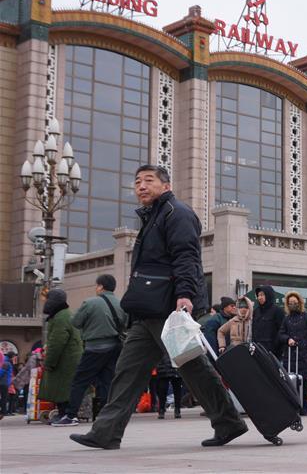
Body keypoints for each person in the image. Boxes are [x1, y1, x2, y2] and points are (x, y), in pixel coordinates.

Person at [70, 164, 246, 450]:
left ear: (165, 185)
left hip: (168, 309)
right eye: (137, 181)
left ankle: (228, 422)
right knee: (128, 370)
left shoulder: (177, 214)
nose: (141, 186)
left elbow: (187, 257)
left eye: (148, 180)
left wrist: (186, 294)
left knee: (193, 367)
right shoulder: (153, 217)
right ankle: (106, 432)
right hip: (148, 310)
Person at [51, 274, 127, 427]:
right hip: (115, 347)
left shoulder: (90, 303)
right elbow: (126, 324)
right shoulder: (121, 304)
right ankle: (106, 416)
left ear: (100, 286)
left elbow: (76, 322)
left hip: (94, 348)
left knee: (80, 381)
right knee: (107, 382)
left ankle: (71, 415)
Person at [39, 289, 83, 422]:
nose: (45, 302)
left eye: (47, 299)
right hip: (70, 359)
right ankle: (64, 413)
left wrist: (49, 363)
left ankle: (65, 414)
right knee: (66, 388)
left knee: (61, 388)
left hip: (64, 361)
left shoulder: (60, 318)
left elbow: (57, 343)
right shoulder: (66, 314)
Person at [278, 291, 307, 415]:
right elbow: (280, 334)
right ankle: (292, 406)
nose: (292, 305)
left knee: (304, 382)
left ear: (299, 303)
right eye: (290, 303)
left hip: (303, 355)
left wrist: (304, 344)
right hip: (290, 355)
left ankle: (304, 406)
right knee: (290, 382)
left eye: (294, 302)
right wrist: (287, 339)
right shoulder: (286, 319)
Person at [252, 285, 283, 358]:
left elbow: (281, 331)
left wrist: (276, 347)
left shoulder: (277, 311)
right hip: (258, 350)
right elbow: (254, 330)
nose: (259, 297)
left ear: (268, 295)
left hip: (272, 352)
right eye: (258, 295)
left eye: (262, 295)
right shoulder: (256, 311)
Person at [154, 353, 182, 419]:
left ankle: (176, 410)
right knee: (162, 390)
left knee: (176, 389)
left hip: (173, 363)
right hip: (165, 364)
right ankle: (162, 410)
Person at [0, 352, 12, 417]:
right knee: (4, 398)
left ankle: (3, 411)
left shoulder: (5, 362)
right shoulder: (6, 363)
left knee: (4, 397)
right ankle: (3, 411)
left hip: (4, 382)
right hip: (3, 383)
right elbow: (1, 372)